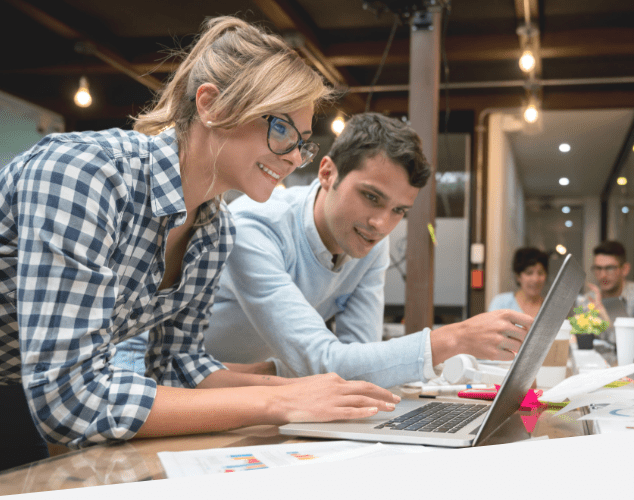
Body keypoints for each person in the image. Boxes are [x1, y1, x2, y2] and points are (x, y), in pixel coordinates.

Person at [0, 16, 399, 471]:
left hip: (17, 387)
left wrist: (308, 393)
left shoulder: (214, 230)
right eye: (282, 130)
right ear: (211, 105)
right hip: (38, 393)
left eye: (302, 143)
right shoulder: (83, 174)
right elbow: (71, 396)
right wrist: (278, 403)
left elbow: (178, 365)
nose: (293, 157)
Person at [188, 112, 530, 387]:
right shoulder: (256, 227)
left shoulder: (367, 242)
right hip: (191, 392)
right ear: (327, 173)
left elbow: (355, 362)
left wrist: (282, 370)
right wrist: (454, 338)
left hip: (267, 388)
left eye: (398, 211)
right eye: (371, 197)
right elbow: (325, 362)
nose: (381, 224)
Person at [585, 241, 634, 342]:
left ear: (625, 269)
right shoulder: (589, 299)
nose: (603, 275)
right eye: (598, 268)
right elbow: (581, 340)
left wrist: (605, 318)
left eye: (609, 268)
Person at [488, 247, 549, 317]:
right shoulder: (501, 303)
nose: (535, 279)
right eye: (529, 273)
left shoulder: (550, 308)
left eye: (540, 273)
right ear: (518, 276)